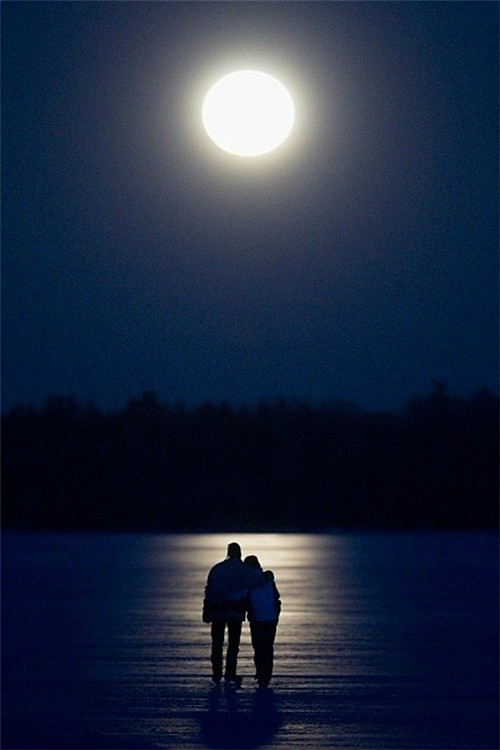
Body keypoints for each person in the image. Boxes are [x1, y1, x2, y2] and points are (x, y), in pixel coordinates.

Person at [203, 542, 262, 685]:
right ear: (239, 553)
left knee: (217, 643)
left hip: (217, 611)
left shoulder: (216, 569)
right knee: (233, 644)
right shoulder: (244, 570)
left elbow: (209, 591)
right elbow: (257, 583)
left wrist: (206, 610)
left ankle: (216, 673)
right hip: (235, 612)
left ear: (228, 552)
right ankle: (230, 673)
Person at [244, 555, 281, 687]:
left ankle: (261, 673)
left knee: (259, 648)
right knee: (268, 647)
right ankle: (266, 674)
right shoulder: (268, 579)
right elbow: (276, 596)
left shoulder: (248, 581)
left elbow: (245, 599)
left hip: (257, 619)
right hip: (271, 618)